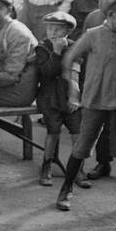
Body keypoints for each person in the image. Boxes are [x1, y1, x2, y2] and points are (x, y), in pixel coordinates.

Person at [57, 0, 116, 211]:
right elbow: (70, 60)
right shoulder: (92, 35)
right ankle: (66, 189)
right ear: (110, 13)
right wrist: (74, 90)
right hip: (94, 102)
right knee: (81, 147)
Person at [32, 11, 81, 189]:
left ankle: (77, 170)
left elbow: (76, 73)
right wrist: (57, 52)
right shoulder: (43, 47)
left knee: (77, 132)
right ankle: (46, 166)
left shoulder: (75, 47)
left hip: (70, 95)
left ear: (68, 31)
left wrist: (74, 97)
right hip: (50, 96)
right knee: (53, 131)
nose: (52, 32)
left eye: (58, 29)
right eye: (50, 28)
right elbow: (48, 72)